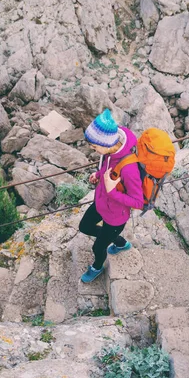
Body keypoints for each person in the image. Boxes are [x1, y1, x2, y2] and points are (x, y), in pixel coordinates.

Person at [79, 109, 144, 283]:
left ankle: (97, 267)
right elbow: (108, 170)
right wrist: (99, 175)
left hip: (116, 216)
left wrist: (111, 191)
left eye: (94, 146)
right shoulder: (110, 153)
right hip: (101, 203)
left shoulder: (129, 169)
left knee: (98, 246)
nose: (93, 149)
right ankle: (120, 242)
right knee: (84, 226)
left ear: (106, 143)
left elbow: (139, 202)